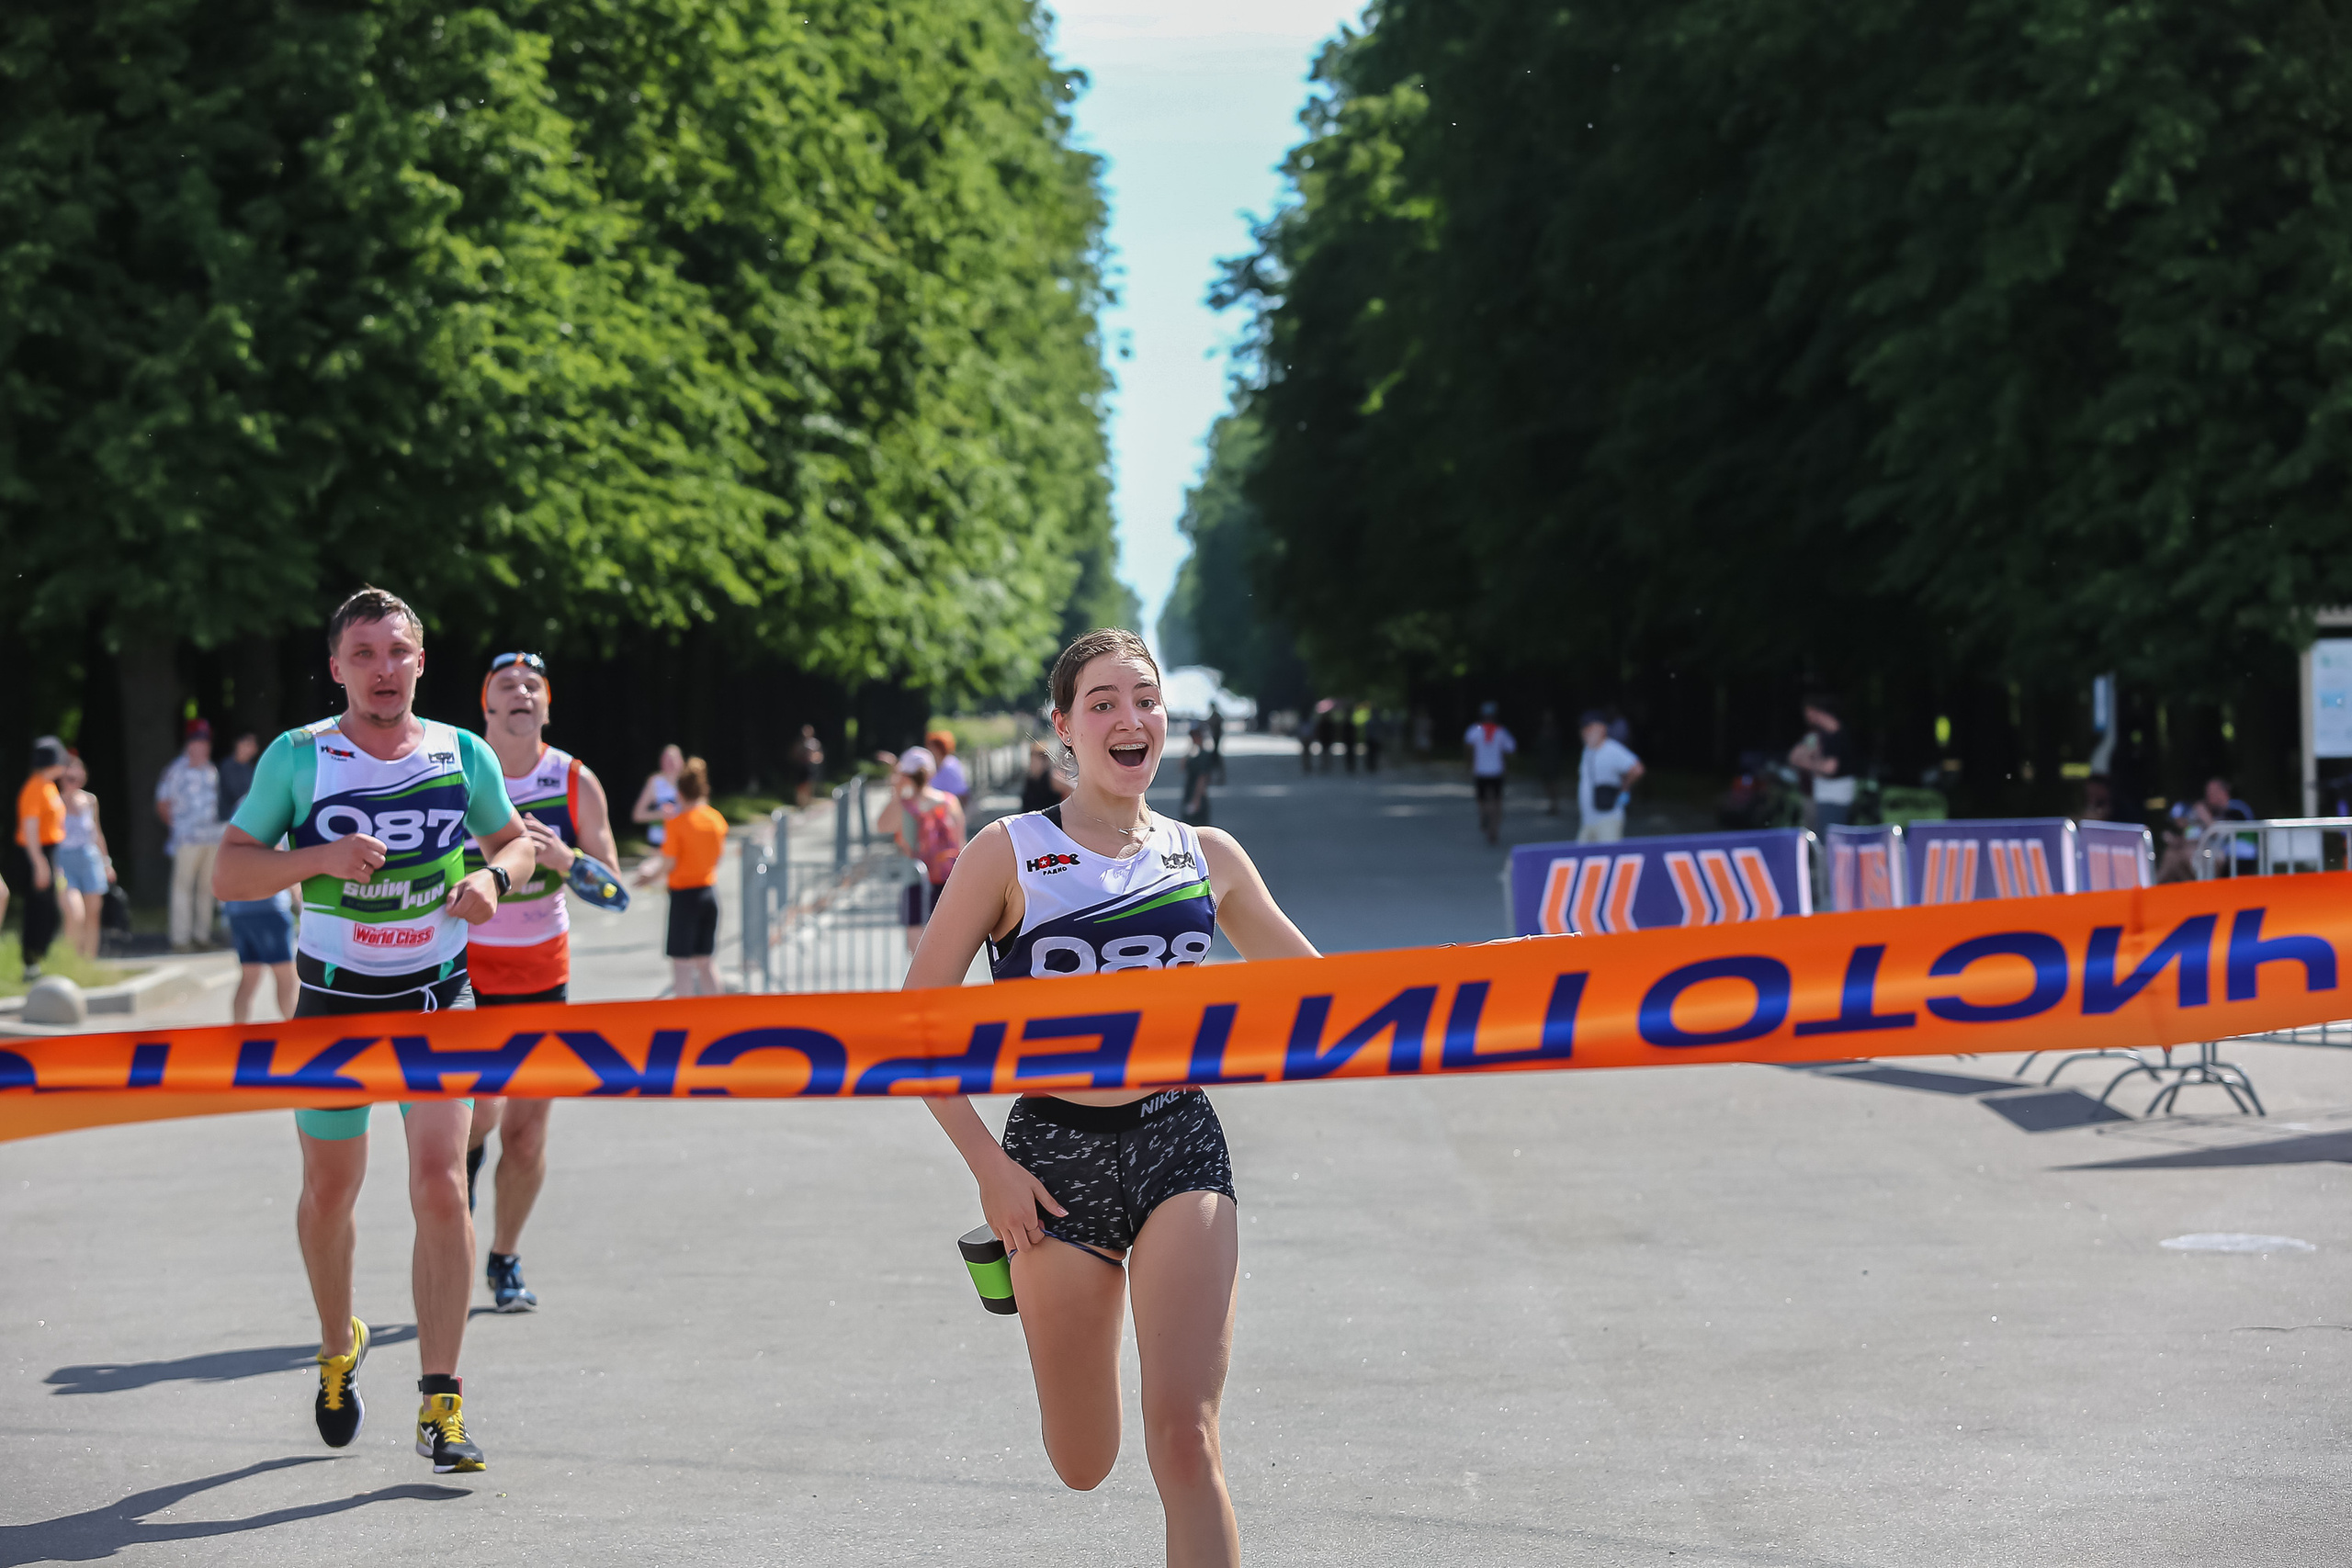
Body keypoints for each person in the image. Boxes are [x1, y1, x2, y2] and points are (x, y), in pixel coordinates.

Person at [906, 627, 1318, 1568]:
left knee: (1184, 1436)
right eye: (1102, 703)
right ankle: (1019, 1276)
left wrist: (1500, 987)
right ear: (1064, 728)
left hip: (1182, 1144)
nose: (1129, 719)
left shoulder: (1204, 853)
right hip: (1049, 1166)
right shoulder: (1008, 851)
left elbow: (1327, 996)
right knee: (1083, 1461)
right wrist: (989, 1170)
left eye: (1144, 698)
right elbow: (915, 1030)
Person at [213, 586, 535, 1474]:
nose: (383, 670)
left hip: (438, 1001)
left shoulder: (460, 752)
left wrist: (493, 883)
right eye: (363, 654)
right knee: (329, 1194)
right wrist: (316, 856)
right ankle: (336, 1345)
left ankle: (442, 1399)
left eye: (397, 652)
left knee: (440, 1185)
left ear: (421, 662)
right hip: (332, 1010)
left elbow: (517, 843)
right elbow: (229, 875)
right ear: (336, 669)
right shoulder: (299, 757)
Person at [463, 650, 624, 1314]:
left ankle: (503, 1256)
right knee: (481, 1113)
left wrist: (568, 858)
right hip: (467, 975)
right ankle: (459, 1196)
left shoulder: (574, 781)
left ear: (546, 706)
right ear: (488, 707)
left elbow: (615, 891)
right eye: (507, 684)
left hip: (541, 975)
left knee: (526, 1134)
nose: (521, 691)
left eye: (534, 685)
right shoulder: (461, 771)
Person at [635, 756, 725, 996]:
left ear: (680, 793)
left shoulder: (677, 823)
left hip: (685, 897)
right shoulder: (716, 819)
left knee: (682, 964)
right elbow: (718, 858)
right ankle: (718, 1014)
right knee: (706, 962)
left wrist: (648, 878)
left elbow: (668, 864)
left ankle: (685, 1021)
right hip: (709, 893)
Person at [876, 746, 966, 953]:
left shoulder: (905, 806)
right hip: (947, 880)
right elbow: (960, 842)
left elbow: (882, 826)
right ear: (932, 772)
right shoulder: (949, 802)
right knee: (948, 951)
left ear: (905, 775)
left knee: (917, 952)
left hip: (914, 879)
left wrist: (896, 791)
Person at [154, 718, 222, 951]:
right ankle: (180, 939)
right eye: (198, 742)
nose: (203, 747)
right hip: (187, 839)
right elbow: (162, 803)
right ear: (190, 744)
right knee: (182, 887)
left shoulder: (211, 770)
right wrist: (178, 827)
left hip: (211, 838)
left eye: (206, 742)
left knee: (206, 888)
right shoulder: (176, 770)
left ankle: (202, 936)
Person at [52, 753, 115, 961]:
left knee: (93, 913)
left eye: (78, 778)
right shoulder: (55, 802)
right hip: (64, 861)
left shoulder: (90, 801)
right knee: (74, 912)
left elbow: (97, 833)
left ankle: (89, 962)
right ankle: (72, 959)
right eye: (70, 778)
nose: (74, 783)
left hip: (89, 859)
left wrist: (107, 863)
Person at [16, 737, 68, 979]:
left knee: (49, 912)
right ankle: (31, 964)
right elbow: (30, 828)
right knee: (39, 911)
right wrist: (39, 863)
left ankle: (39, 961)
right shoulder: (35, 787)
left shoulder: (47, 785)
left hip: (48, 852)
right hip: (36, 853)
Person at [1788, 694, 1856, 831]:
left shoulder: (1838, 735)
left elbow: (1830, 767)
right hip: (1821, 794)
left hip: (1835, 797)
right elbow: (1794, 757)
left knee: (1829, 839)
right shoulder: (1818, 735)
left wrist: (1808, 764)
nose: (1808, 718)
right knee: (1818, 836)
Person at [1576, 710, 1643, 842]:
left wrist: (1624, 789)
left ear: (1602, 728)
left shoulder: (1612, 749)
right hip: (1588, 820)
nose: (1585, 732)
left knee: (1608, 857)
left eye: (1589, 728)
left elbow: (1637, 769)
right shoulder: (1587, 751)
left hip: (1607, 820)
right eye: (1584, 729)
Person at [1464, 702, 1517, 845]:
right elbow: (1511, 748)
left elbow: (1468, 747)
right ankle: (1494, 831)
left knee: (1481, 799)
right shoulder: (1501, 731)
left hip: (1480, 771)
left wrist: (1469, 764)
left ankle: (1484, 816)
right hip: (1497, 771)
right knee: (1497, 802)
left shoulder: (1475, 730)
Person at [630, 743, 684, 851]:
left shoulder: (688, 783)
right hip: (659, 842)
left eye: (672, 759)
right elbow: (637, 815)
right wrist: (661, 814)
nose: (669, 763)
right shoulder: (655, 782)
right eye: (666, 760)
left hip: (683, 839)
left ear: (681, 761)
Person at [218, 732, 262, 822]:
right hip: (228, 821)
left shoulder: (253, 770)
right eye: (243, 743)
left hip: (247, 820)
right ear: (236, 744)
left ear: (255, 749)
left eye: (249, 745)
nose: (244, 747)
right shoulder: (227, 766)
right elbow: (238, 794)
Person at [927, 728, 972, 812]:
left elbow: (961, 794)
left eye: (931, 747)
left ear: (939, 749)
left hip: (949, 813)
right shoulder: (934, 765)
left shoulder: (950, 767)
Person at [1182, 723, 1216, 826]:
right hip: (1189, 791)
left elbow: (1202, 778)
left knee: (1197, 825)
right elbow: (1182, 767)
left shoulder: (1204, 755)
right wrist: (1190, 747)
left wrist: (1196, 800)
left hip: (1198, 794)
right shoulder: (1193, 754)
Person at [1019, 741, 1068, 814]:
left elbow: (1070, 790)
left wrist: (1062, 811)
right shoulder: (1030, 779)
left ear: (1044, 761)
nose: (1032, 763)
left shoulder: (1051, 778)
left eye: (1035, 760)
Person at [791, 724, 825, 809]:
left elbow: (819, 756)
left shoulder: (814, 743)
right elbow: (794, 754)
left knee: (808, 785)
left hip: (810, 767)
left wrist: (813, 759)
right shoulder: (799, 743)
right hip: (801, 766)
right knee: (800, 786)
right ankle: (800, 803)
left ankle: (807, 803)